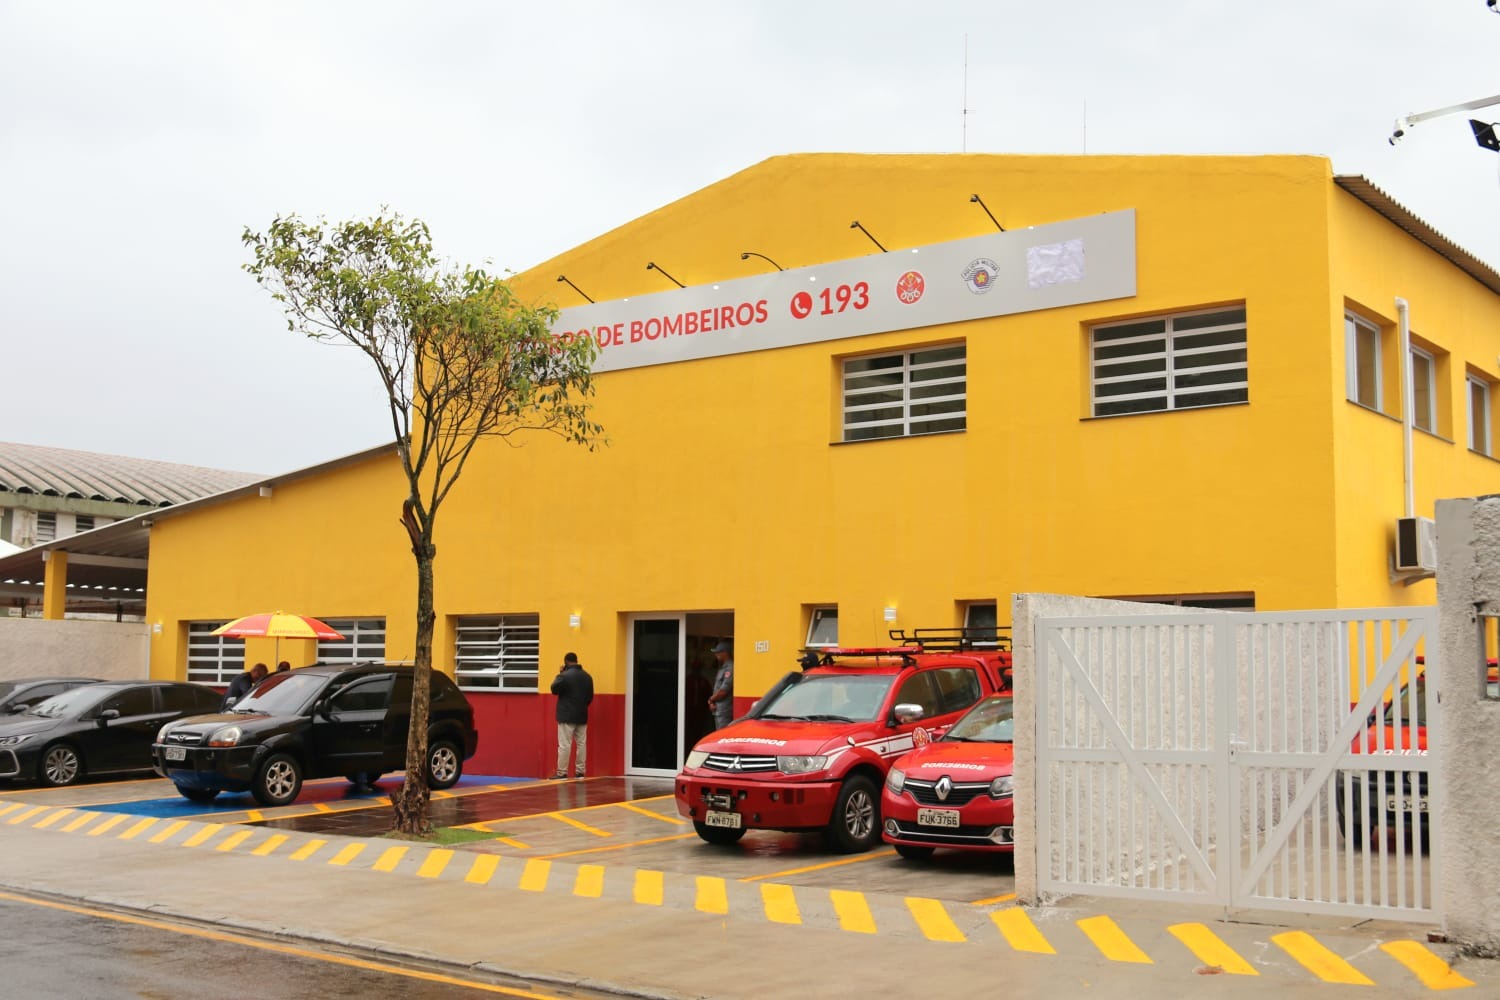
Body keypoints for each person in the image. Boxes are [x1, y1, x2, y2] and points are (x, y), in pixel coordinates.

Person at [550, 652, 594, 779]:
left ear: (566, 662)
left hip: (566, 716)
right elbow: (590, 697)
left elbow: (554, 689)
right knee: (581, 744)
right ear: (576, 660)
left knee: (565, 745)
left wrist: (560, 674)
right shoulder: (587, 677)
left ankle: (562, 772)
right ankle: (580, 771)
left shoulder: (564, 676)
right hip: (581, 715)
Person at [708, 639, 734, 730]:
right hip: (719, 710)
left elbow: (723, 691)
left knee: (723, 736)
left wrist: (711, 699)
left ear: (725, 653)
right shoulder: (722, 668)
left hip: (725, 711)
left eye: (718, 652)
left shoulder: (730, 668)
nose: (716, 655)